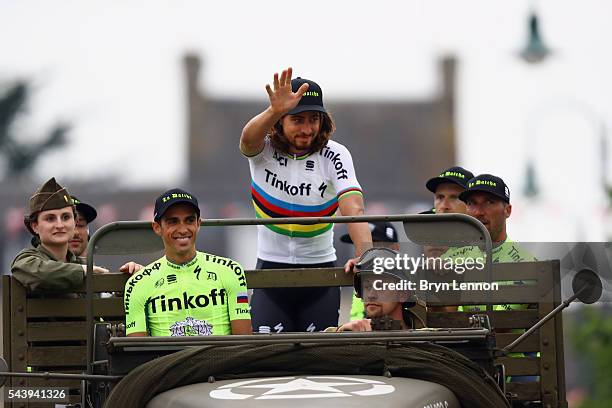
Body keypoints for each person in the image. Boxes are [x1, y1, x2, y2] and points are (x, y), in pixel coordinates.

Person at [240, 68, 371, 332]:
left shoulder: (335, 154)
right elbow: (246, 140)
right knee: (270, 359)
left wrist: (366, 256)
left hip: (321, 273)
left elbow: (353, 207)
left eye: (314, 119)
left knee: (319, 362)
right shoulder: (263, 150)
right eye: (297, 120)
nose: (308, 129)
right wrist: (273, 111)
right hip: (270, 272)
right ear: (280, 122)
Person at [123, 188, 252, 337]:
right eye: (173, 222)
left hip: (221, 359)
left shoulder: (230, 270)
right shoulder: (138, 282)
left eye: (189, 220)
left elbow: (243, 341)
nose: (183, 229)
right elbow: (136, 350)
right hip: (168, 361)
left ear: (198, 223)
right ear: (157, 228)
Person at [11, 178, 108, 292]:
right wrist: (82, 271)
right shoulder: (26, 261)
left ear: (74, 222)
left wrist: (131, 277)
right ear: (35, 226)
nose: (60, 225)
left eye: (66, 217)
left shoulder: (83, 264)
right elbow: (42, 275)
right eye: (50, 218)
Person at [333, 248, 424, 332]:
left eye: (380, 286)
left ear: (402, 294)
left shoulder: (427, 338)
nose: (371, 295)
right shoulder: (352, 330)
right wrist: (342, 332)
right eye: (367, 287)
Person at [340, 222, 400, 321]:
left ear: (395, 248)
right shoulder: (360, 278)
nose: (363, 256)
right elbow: (357, 322)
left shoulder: (410, 275)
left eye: (373, 249)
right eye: (359, 248)